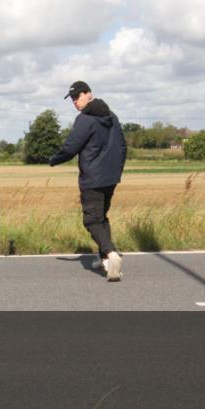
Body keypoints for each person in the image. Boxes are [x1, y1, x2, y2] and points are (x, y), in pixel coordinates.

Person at [48, 81, 128, 281]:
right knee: (101, 218)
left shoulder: (85, 119)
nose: (75, 102)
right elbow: (123, 146)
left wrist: (53, 159)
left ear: (88, 94)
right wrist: (116, 170)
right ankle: (106, 261)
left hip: (93, 179)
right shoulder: (112, 116)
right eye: (73, 99)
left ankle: (111, 254)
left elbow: (71, 147)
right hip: (110, 178)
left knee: (91, 220)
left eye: (78, 97)